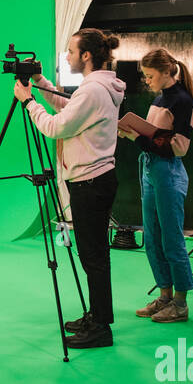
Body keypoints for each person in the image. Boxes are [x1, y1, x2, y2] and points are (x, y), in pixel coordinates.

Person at [18, 29, 126, 349]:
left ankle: (101, 327)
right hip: (95, 179)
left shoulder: (93, 91)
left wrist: (28, 103)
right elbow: (67, 107)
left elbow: (55, 126)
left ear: (86, 56)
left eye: (70, 51)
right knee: (93, 254)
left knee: (93, 256)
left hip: (90, 183)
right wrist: (39, 82)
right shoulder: (98, 87)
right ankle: (96, 316)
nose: (67, 56)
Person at [122, 49, 193, 323]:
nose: (147, 80)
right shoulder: (158, 99)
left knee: (171, 239)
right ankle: (164, 296)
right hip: (150, 170)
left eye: (150, 76)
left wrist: (135, 138)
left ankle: (180, 303)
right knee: (151, 237)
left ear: (166, 72)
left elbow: (178, 148)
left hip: (168, 172)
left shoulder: (183, 101)